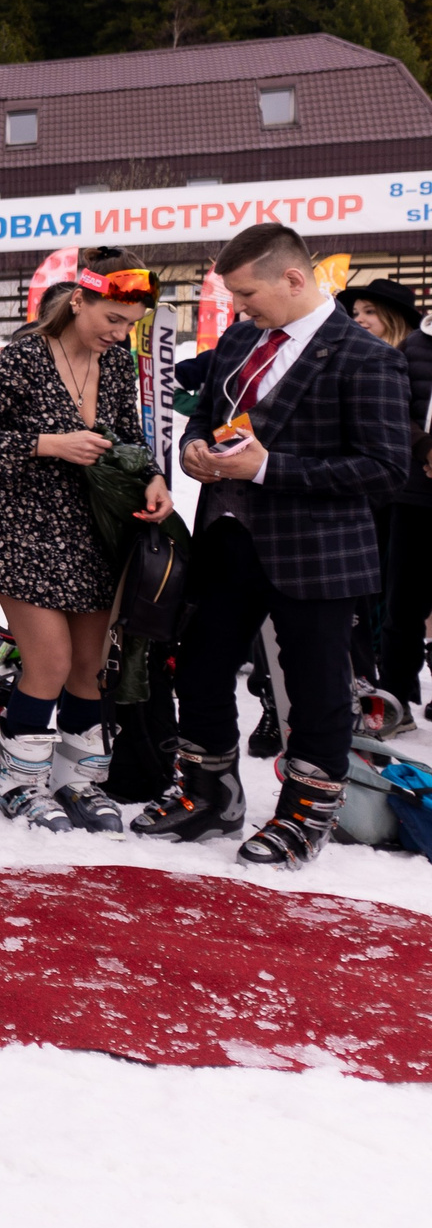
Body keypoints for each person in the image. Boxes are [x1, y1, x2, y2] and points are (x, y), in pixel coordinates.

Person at [140, 225, 409, 868]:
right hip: (227, 540)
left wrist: (268, 469)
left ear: (293, 278)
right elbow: (206, 412)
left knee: (316, 689)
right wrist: (195, 450)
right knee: (201, 668)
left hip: (316, 551)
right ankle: (209, 791)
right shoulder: (239, 338)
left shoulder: (367, 356)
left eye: (246, 293)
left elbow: (385, 468)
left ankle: (305, 813)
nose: (238, 308)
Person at [0, 250, 172, 833]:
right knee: (47, 663)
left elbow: (130, 438)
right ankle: (20, 785)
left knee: (90, 667)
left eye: (129, 324)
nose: (119, 333)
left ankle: (78, 780)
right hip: (23, 530)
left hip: (95, 532)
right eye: (112, 319)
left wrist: (152, 477)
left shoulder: (118, 363)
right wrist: (48, 444)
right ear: (80, 300)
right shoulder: (25, 356)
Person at [338, 278, 432, 723]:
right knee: (402, 600)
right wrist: (425, 448)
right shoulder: (414, 348)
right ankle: (395, 694)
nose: (360, 322)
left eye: (369, 312)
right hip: (412, 492)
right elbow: (400, 409)